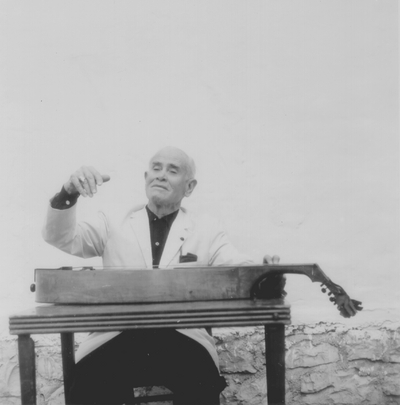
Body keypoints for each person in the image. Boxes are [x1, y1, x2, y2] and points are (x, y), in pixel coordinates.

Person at [42, 146, 281, 405]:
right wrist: (69, 192)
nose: (161, 175)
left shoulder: (206, 230)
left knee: (201, 383)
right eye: (156, 168)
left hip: (182, 338)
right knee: (90, 383)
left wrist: (265, 272)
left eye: (172, 170)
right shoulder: (113, 222)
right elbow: (61, 237)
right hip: (117, 336)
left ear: (189, 187)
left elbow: (239, 268)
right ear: (146, 178)